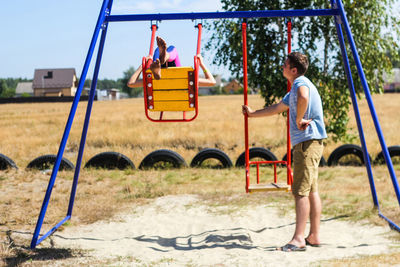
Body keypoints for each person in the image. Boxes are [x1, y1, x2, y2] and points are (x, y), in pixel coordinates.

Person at [242, 52, 327, 252]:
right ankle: (314, 235)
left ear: (294, 70)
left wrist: (298, 120)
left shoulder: (300, 83)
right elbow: (277, 107)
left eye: (285, 64)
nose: (282, 67)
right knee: (311, 190)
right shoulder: (294, 89)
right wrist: (253, 114)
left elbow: (304, 97)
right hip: (311, 142)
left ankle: (299, 239)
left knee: (300, 191)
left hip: (307, 143)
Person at [127, 36, 216, 88]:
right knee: (173, 49)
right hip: (177, 76)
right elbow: (212, 81)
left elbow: (131, 83)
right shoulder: (187, 79)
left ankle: (158, 61)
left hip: (158, 79)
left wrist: (142, 65)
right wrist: (202, 64)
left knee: (158, 50)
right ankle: (165, 56)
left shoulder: (151, 80)